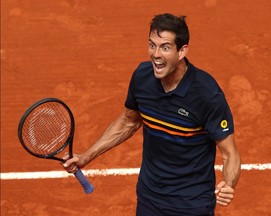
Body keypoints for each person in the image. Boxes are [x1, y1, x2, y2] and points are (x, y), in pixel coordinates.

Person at [62, 13, 241, 216]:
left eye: (165, 47)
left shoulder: (206, 95)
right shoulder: (142, 77)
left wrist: (229, 184)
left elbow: (230, 153)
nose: (156, 54)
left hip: (191, 204)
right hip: (150, 197)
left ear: (182, 51)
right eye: (152, 45)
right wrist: (86, 156)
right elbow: (128, 122)